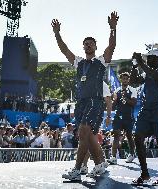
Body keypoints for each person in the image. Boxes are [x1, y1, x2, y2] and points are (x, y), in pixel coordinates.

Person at [52, 11, 119, 181]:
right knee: (85, 136)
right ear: (83, 47)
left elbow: (111, 47)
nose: (88, 46)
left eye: (91, 44)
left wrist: (113, 28)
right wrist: (57, 33)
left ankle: (77, 169)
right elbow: (64, 49)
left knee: (84, 132)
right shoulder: (79, 62)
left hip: (94, 102)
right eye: (86, 44)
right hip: (81, 103)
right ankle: (99, 164)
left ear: (95, 47)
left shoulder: (101, 61)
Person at [130, 49, 158, 186]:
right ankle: (145, 174)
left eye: (150, 58)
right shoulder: (146, 70)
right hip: (146, 110)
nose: (147, 60)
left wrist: (141, 62)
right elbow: (133, 81)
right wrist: (135, 65)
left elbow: (157, 76)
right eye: (147, 58)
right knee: (137, 136)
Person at [79, 81, 112, 177]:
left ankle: (89, 165)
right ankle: (100, 162)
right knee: (88, 140)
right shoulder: (84, 80)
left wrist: (109, 116)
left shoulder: (102, 84)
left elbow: (108, 100)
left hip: (96, 114)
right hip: (85, 112)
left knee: (89, 139)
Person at [107, 72, 137, 165]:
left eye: (126, 78)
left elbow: (134, 103)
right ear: (121, 80)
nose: (124, 80)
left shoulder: (133, 90)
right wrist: (114, 100)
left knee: (128, 135)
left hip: (128, 116)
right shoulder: (117, 90)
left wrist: (125, 97)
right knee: (116, 135)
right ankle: (113, 157)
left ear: (128, 80)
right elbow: (113, 106)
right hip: (118, 116)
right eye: (123, 78)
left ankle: (132, 154)